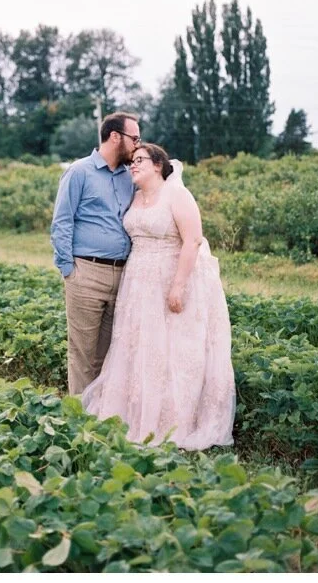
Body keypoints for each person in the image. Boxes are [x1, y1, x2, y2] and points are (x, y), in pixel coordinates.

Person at [80, 143, 236, 449]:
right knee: (138, 347)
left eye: (140, 160)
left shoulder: (177, 195)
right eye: (132, 161)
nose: (133, 165)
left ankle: (170, 421)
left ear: (157, 165)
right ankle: (133, 415)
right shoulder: (136, 197)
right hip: (137, 285)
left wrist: (178, 286)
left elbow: (192, 241)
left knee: (171, 351)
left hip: (169, 280)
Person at [51, 112, 139, 395]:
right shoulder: (79, 172)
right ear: (116, 137)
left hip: (123, 275)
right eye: (135, 138)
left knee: (109, 355)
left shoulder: (130, 177)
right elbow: (62, 221)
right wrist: (69, 270)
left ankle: (102, 416)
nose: (138, 145)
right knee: (83, 354)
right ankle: (81, 421)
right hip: (86, 274)